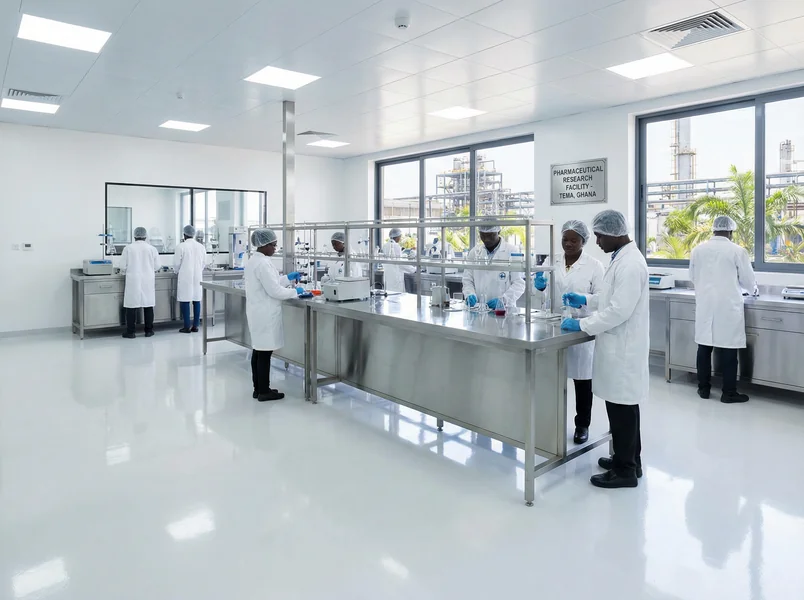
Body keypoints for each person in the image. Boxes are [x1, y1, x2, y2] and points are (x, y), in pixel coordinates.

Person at [561, 210, 649, 489]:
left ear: (613, 234)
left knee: (623, 408)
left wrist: (582, 324)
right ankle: (628, 459)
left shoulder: (630, 264)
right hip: (617, 346)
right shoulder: (620, 259)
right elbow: (608, 298)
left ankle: (625, 471)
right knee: (621, 406)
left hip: (623, 348)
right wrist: (585, 299)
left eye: (599, 236)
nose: (596, 241)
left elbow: (619, 310)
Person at [533, 220, 604, 444]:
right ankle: (551, 421)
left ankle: (582, 425)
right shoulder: (551, 261)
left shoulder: (595, 266)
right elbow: (542, 295)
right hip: (553, 326)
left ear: (584, 241)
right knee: (551, 378)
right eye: (565, 239)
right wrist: (540, 285)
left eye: (574, 240)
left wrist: (584, 300)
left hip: (581, 329)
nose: (568, 244)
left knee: (582, 382)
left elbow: (602, 299)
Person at [689, 216, 757, 404]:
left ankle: (703, 388)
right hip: (727, 307)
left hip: (705, 305)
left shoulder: (697, 250)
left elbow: (692, 276)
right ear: (731, 231)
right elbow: (748, 280)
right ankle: (728, 393)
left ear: (713, 230)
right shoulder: (737, 251)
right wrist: (754, 291)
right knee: (728, 351)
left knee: (704, 348)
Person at [245, 228, 305, 402]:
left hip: (258, 311)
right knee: (264, 353)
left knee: (258, 351)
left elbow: (272, 282)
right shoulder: (263, 263)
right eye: (273, 245)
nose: (275, 248)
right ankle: (264, 391)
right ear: (264, 245)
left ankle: (258, 388)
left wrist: (287, 278)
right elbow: (275, 291)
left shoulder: (255, 261)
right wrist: (296, 291)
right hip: (265, 313)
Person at [462, 224, 525, 310]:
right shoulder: (474, 252)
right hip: (479, 309)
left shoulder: (512, 251)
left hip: (504, 310)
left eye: (490, 235)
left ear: (498, 231)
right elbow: (467, 279)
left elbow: (519, 283)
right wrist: (469, 294)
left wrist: (504, 300)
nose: (486, 239)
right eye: (483, 235)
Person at [119, 227, 161, 339]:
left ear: (134, 236)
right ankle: (148, 331)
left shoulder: (128, 248)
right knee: (148, 306)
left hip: (133, 279)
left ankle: (131, 332)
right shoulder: (152, 249)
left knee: (131, 306)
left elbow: (122, 266)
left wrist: (123, 271)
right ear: (145, 236)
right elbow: (157, 266)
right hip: (147, 279)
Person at [174, 225, 206, 333]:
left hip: (185, 276)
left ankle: (186, 326)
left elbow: (176, 264)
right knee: (197, 300)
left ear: (184, 235)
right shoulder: (201, 247)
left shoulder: (181, 246)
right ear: (194, 234)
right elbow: (203, 263)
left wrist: (177, 271)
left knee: (185, 300)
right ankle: (195, 326)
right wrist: (198, 270)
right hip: (197, 276)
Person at [381, 228, 415, 293]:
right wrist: (413, 269)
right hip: (395, 277)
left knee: (388, 296)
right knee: (396, 297)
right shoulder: (396, 246)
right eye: (400, 236)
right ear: (397, 237)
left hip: (388, 275)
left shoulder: (385, 245)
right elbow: (400, 263)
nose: (400, 238)